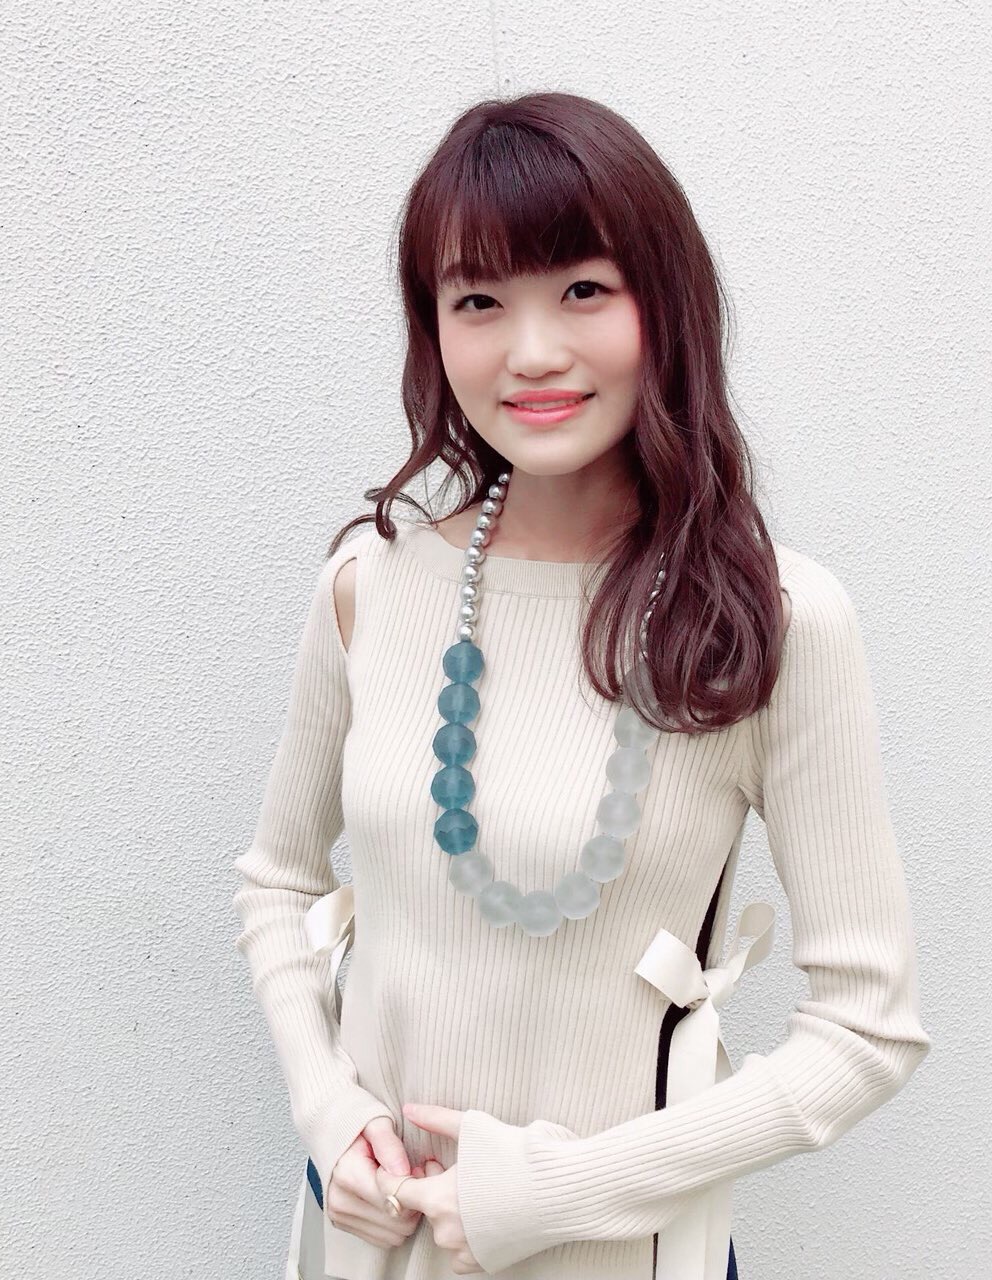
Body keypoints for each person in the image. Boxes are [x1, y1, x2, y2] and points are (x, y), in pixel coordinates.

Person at [232, 91, 931, 1280]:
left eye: (582, 289)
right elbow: (278, 880)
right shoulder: (370, 585)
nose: (531, 351)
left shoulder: (768, 620)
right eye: (477, 301)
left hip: (618, 1255)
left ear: (664, 302)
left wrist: (554, 1191)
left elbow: (867, 1027)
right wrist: (327, 1107)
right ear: (431, 328)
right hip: (365, 1241)